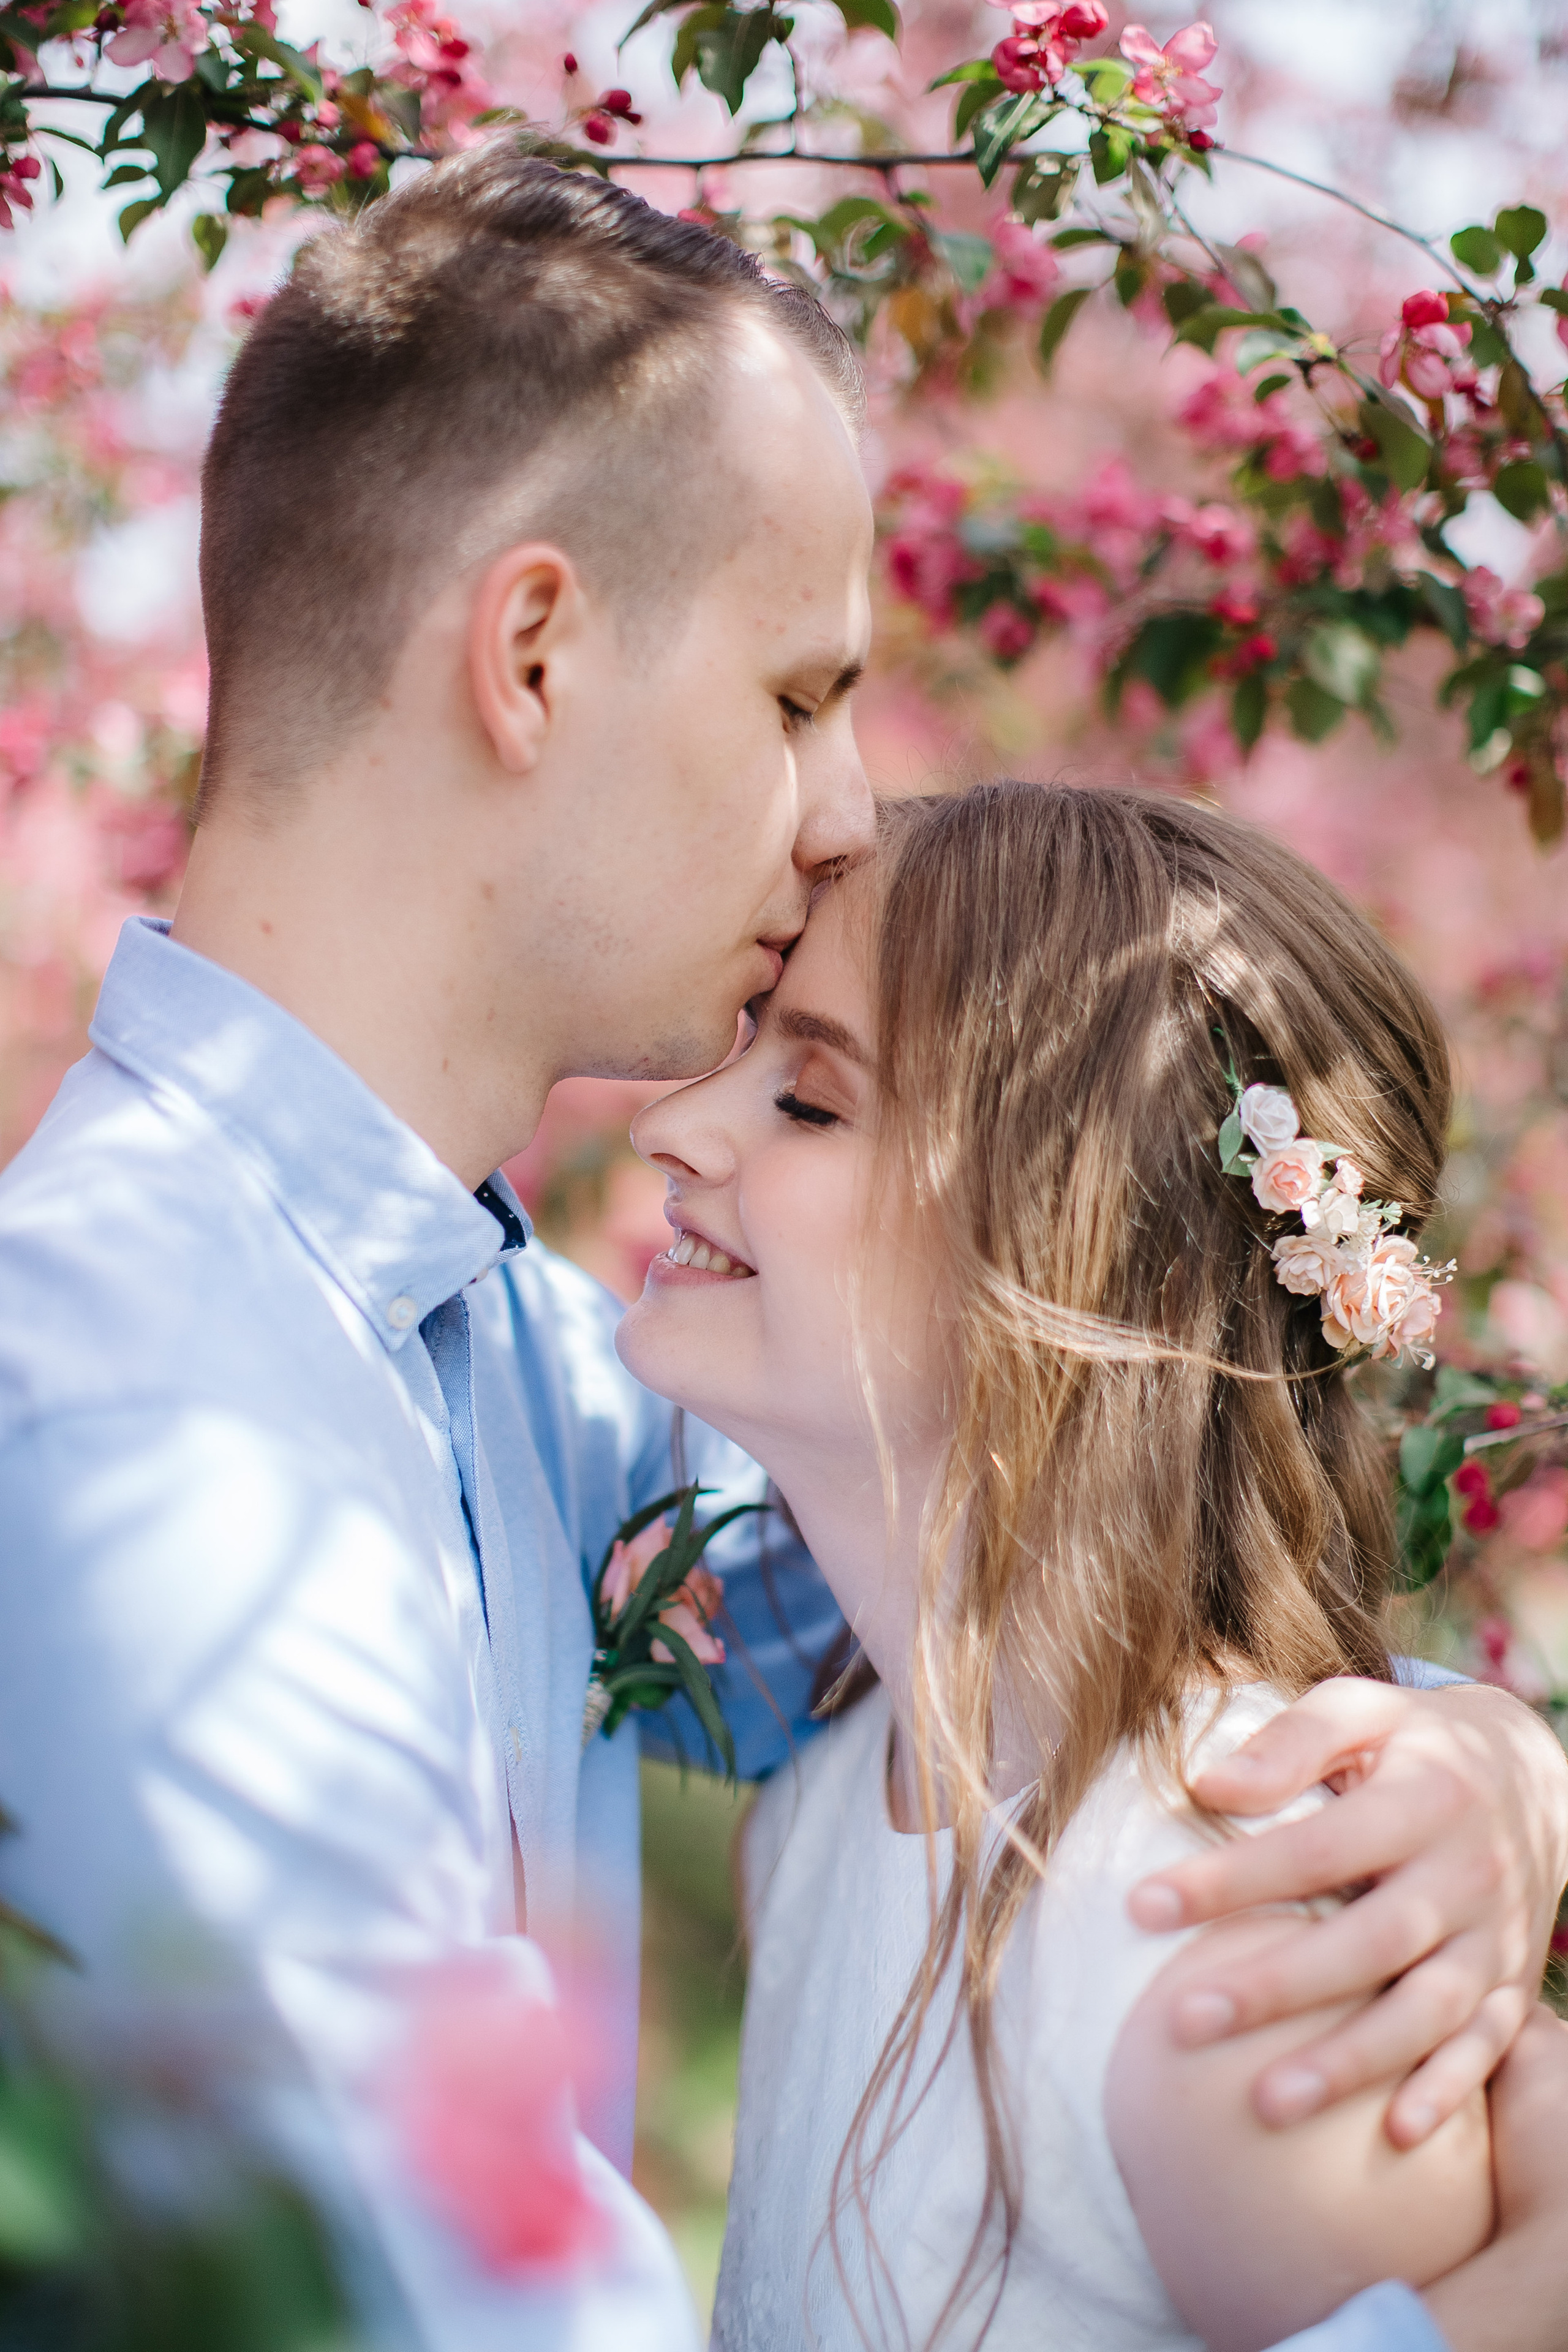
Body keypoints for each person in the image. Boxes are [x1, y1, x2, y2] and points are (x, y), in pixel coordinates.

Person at [0, 146, 1562, 2349]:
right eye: (799, 695)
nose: (845, 810)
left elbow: (1011, 1569)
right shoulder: (151, 1440)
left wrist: (1454, 1769)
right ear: (533, 652)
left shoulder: (508, 1368)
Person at [617, 782, 1568, 2352]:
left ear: (1074, 1240)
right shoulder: (814, 1811)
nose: (670, 1124)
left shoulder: (1245, 1959)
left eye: (808, 1100)